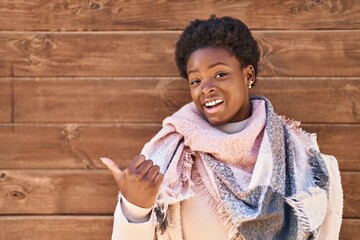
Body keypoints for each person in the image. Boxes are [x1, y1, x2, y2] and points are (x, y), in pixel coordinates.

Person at [101, 16, 343, 240]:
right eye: (195, 80)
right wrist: (135, 208)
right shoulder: (170, 160)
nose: (206, 87)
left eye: (219, 74)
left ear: (248, 74)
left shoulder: (304, 160)